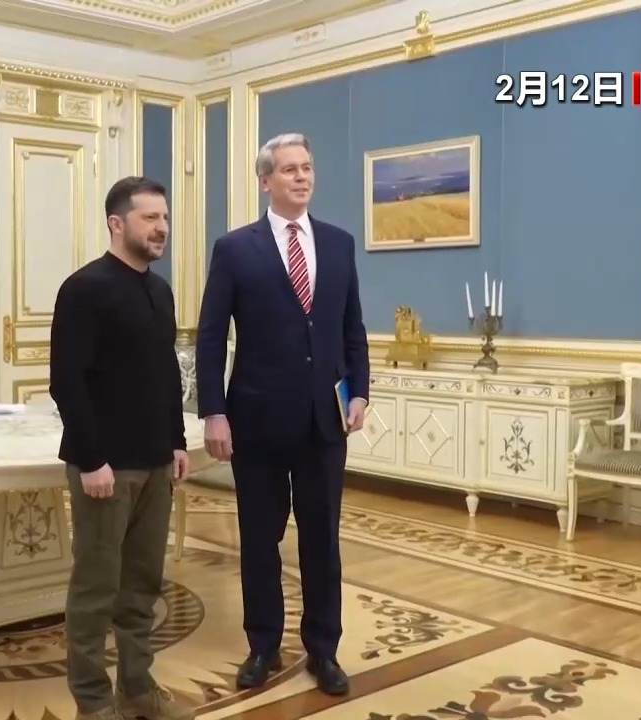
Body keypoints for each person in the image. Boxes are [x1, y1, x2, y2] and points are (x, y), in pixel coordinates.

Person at [194, 133, 370, 696]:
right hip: (257, 421)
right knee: (259, 540)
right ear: (265, 180)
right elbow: (211, 336)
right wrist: (213, 412)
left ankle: (324, 649)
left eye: (307, 168)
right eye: (290, 169)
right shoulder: (235, 249)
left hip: (324, 423)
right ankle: (263, 645)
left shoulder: (338, 244)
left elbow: (352, 328)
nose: (301, 177)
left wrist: (359, 392)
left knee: (322, 542)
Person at [50, 176, 194, 720]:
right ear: (117, 223)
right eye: (149, 218)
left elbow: (165, 373)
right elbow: (67, 382)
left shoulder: (160, 290)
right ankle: (92, 702)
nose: (161, 228)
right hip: (105, 467)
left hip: (155, 464)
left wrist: (176, 441)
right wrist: (91, 460)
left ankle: (137, 687)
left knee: (141, 587)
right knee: (96, 590)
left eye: (164, 218)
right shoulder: (84, 289)